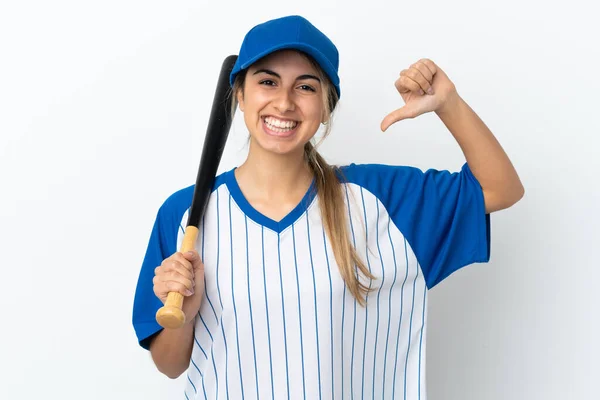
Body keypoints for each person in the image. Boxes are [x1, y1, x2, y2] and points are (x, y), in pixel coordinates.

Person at [132, 14, 524, 400]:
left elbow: (501, 189)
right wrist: (186, 311)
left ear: (326, 106)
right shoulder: (186, 215)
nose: (284, 102)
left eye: (305, 87)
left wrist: (447, 104)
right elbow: (170, 365)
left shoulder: (379, 199)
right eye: (267, 81)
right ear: (240, 94)